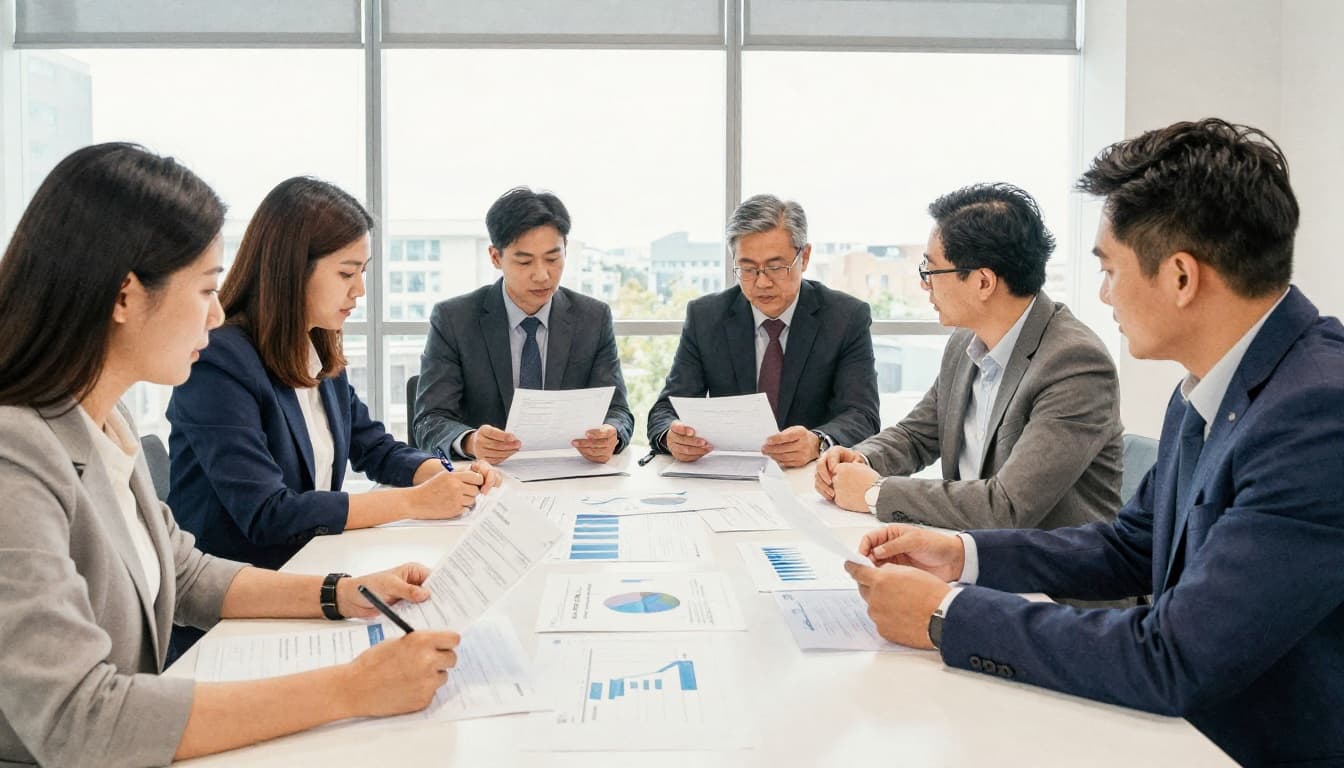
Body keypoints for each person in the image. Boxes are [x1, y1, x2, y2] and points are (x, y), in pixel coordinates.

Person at [844, 119, 1344, 766]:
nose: (1103, 295)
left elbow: (1175, 656)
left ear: (1181, 277)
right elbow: (1128, 546)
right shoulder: (1207, 386)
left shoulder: (1316, 415)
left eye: (1109, 269)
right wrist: (962, 555)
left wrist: (947, 615)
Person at [0, 143, 461, 767]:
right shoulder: (15, 453)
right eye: (205, 290)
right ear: (124, 296)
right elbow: (79, 721)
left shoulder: (106, 420)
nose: (217, 313)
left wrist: (343, 592)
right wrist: (352, 689)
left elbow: (185, 573)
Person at [168, 177, 501, 575]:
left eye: (363, 272)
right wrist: (415, 502)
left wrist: (449, 476)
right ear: (292, 271)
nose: (360, 290)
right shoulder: (219, 361)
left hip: (312, 565)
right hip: (242, 592)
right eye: (346, 274)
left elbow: (375, 449)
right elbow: (267, 513)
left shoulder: (317, 347)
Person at [815, 183, 1123, 531]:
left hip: (1047, 562)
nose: (924, 284)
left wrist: (875, 493)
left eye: (931, 271)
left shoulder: (1074, 364)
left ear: (983, 282)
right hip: (970, 549)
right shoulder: (966, 341)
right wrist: (861, 458)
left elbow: (1007, 507)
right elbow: (917, 435)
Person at [647, 193, 880, 468]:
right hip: (728, 474)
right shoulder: (706, 317)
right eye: (747, 269)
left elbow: (862, 415)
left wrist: (817, 442)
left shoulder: (845, 317)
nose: (762, 283)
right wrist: (672, 436)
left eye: (775, 267)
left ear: (804, 257)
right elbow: (666, 409)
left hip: (811, 475)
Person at [414, 187, 634, 464]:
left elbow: (618, 410)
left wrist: (611, 433)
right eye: (524, 261)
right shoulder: (454, 320)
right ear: (496, 257)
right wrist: (471, 441)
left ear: (566, 249)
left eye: (552, 259)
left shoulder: (592, 318)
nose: (542, 275)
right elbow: (430, 419)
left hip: (570, 472)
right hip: (487, 477)